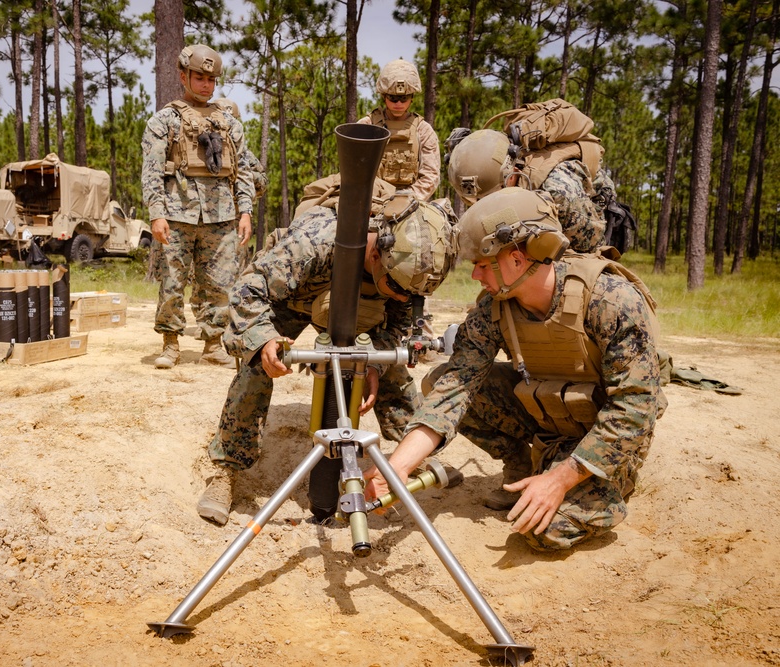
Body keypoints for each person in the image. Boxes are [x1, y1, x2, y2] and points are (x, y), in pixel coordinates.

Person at [363, 188, 666, 551]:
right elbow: (455, 389)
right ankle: (525, 468)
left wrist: (561, 479)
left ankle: (600, 487)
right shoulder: (495, 307)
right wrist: (397, 467)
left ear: (517, 259)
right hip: (550, 417)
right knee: (441, 378)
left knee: (543, 531)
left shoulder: (611, 301)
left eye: (482, 263)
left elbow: (635, 410)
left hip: (605, 439)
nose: (475, 274)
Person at [197, 194, 456, 526]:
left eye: (412, 294)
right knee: (257, 367)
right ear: (376, 255)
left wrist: (375, 363)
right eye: (397, 287)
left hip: (364, 311)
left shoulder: (405, 274)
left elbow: (398, 324)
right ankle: (226, 471)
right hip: (293, 298)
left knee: (390, 369)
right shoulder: (315, 242)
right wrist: (263, 339)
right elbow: (248, 289)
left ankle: (413, 456)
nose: (404, 297)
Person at [141, 44, 255, 368]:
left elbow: (242, 169)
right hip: (177, 211)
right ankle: (171, 344)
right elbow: (151, 171)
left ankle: (212, 343)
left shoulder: (229, 123)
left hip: (221, 213)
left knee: (219, 282)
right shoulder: (164, 120)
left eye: (211, 79)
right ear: (183, 76)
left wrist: (245, 211)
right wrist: (157, 214)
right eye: (199, 77)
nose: (206, 84)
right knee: (172, 281)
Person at [446, 123, 607, 254]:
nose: (485, 204)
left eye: (489, 197)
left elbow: (592, 246)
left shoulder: (558, 191)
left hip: (591, 231)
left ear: (513, 173)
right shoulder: (486, 174)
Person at [358, 60, 441, 201]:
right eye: (393, 98)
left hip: (411, 202)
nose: (398, 104)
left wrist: (405, 199)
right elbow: (354, 170)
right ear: (384, 96)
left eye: (404, 98)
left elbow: (430, 175)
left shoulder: (423, 130)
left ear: (412, 98)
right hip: (371, 200)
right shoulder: (367, 125)